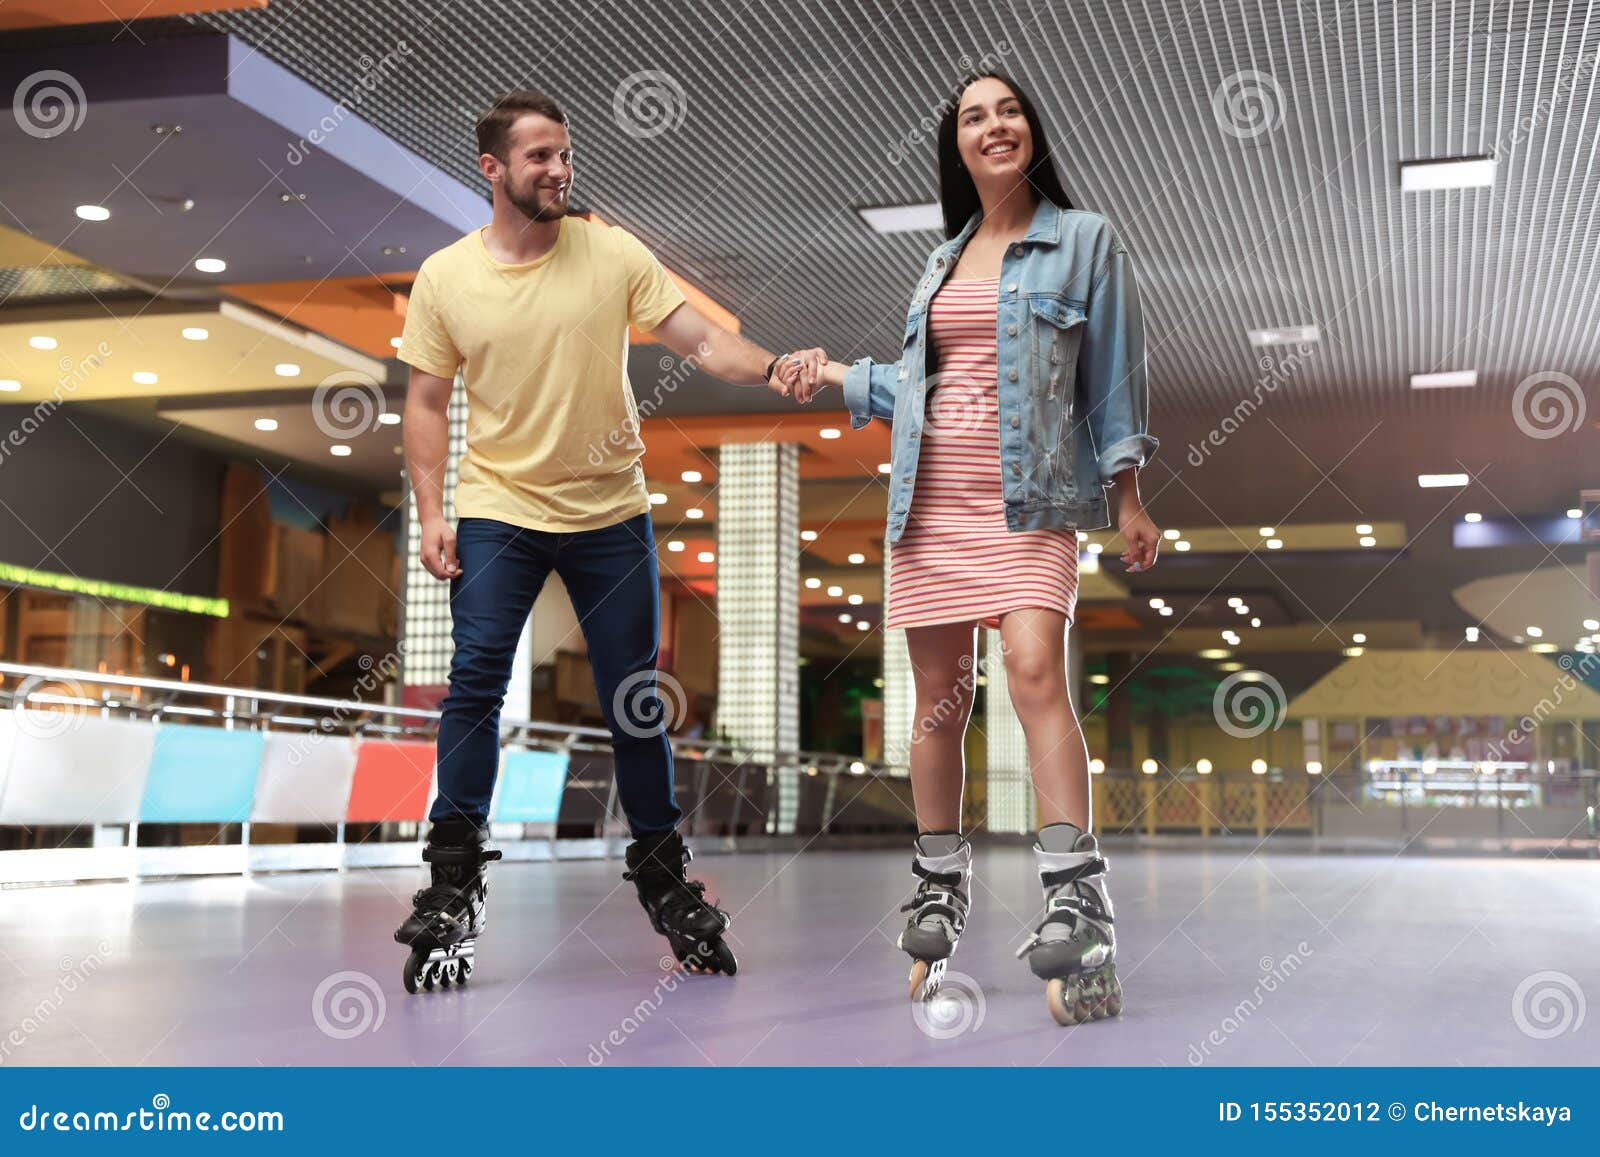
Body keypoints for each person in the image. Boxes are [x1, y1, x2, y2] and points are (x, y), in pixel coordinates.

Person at [392, 89, 806, 991]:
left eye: (565, 152)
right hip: (499, 508)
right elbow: (424, 403)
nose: (559, 168)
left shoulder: (611, 250)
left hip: (611, 512)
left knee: (634, 701)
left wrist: (774, 367)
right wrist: (431, 511)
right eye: (539, 155)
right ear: (493, 169)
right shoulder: (446, 277)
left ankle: (663, 876)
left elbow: (701, 337)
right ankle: (453, 877)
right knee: (474, 683)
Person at [792, 72, 1161, 1025]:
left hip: (1030, 502)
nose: (993, 126)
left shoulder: (1085, 241)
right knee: (938, 706)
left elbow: (1111, 377)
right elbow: (923, 382)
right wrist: (839, 373)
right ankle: (938, 881)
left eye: (1009, 111)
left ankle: (1076, 889)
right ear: (956, 145)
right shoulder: (945, 258)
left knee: (1036, 672)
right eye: (973, 117)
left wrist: (1128, 494)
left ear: (1033, 130)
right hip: (929, 508)